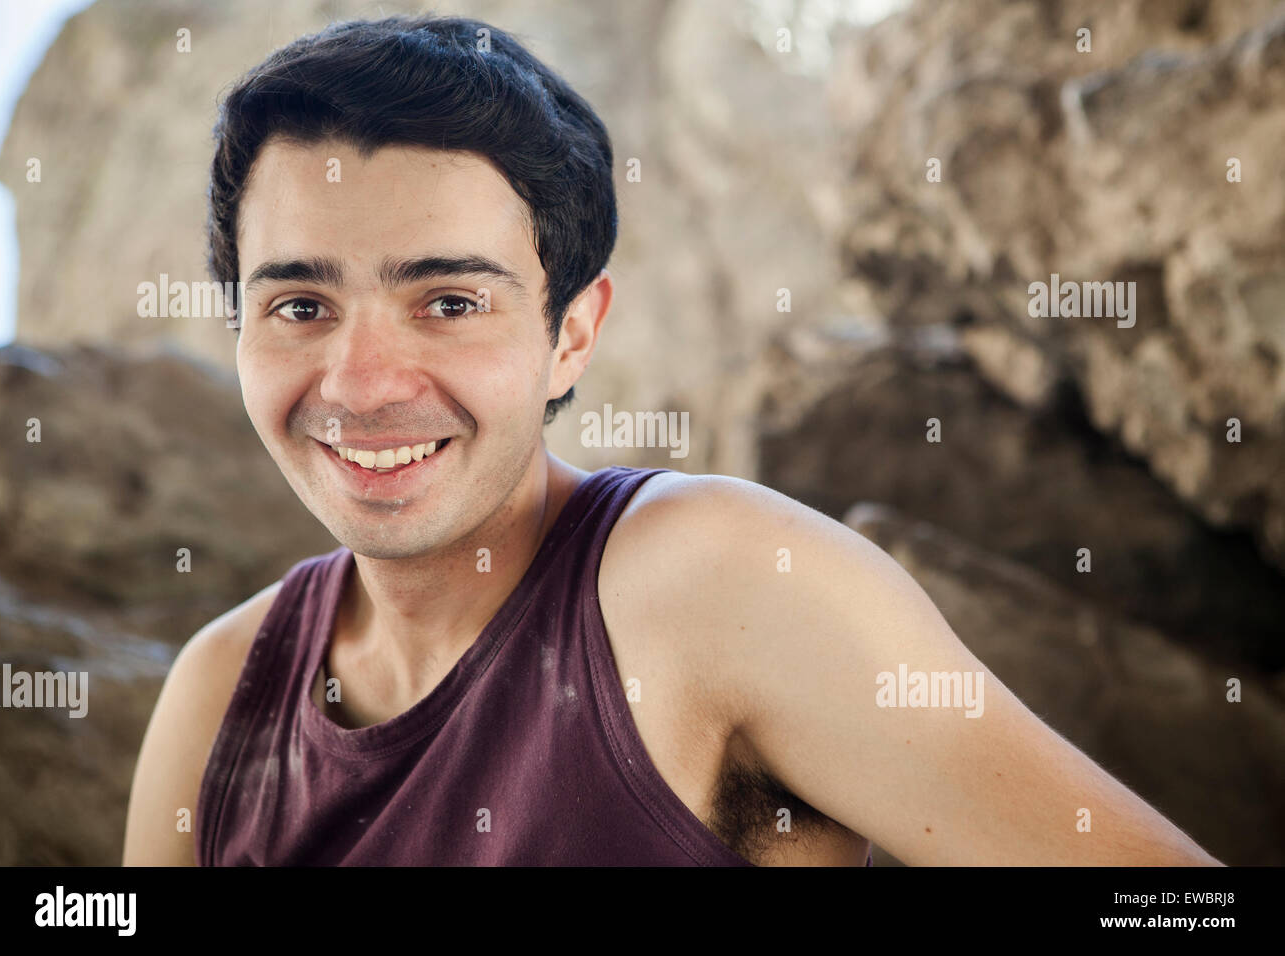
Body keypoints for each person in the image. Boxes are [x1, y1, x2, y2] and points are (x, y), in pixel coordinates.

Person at [123, 13, 1220, 866]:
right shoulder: (219, 694)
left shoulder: (713, 580)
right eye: (299, 306)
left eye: (449, 302)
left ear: (571, 337)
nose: (360, 384)